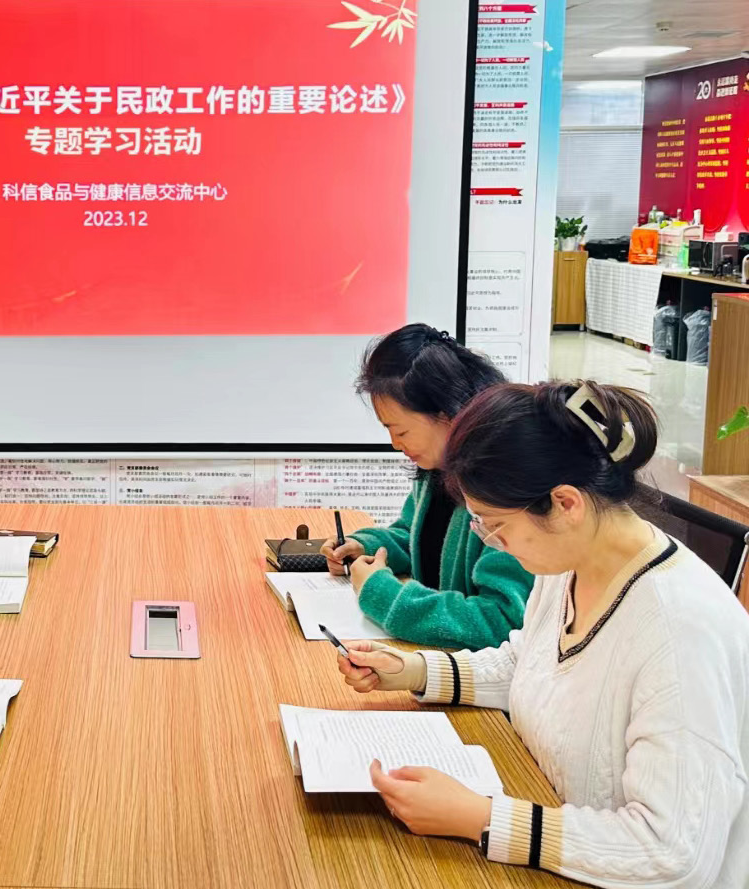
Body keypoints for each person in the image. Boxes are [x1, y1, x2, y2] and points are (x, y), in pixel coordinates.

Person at [336, 381, 749, 888]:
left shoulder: (679, 631)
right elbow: (527, 663)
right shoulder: (568, 562)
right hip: (550, 826)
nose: (494, 544)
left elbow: (671, 853)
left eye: (494, 525)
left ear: (565, 503)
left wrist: (481, 817)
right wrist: (415, 670)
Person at [321, 324, 533, 649]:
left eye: (401, 431)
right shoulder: (438, 465)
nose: (395, 444)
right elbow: (416, 539)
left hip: (470, 671)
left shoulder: (505, 485)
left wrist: (385, 596)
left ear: (446, 414)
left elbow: (502, 620)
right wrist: (365, 546)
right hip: (432, 658)